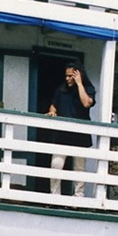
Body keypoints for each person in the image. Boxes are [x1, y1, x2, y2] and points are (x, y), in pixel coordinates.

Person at [46, 62, 96, 197]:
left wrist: (79, 84)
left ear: (78, 75)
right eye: (66, 76)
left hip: (80, 135)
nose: (67, 79)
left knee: (79, 168)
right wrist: (52, 112)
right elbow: (53, 105)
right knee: (56, 164)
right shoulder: (61, 89)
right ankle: (54, 196)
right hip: (62, 134)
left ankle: (78, 197)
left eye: (70, 76)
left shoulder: (88, 88)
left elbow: (86, 103)